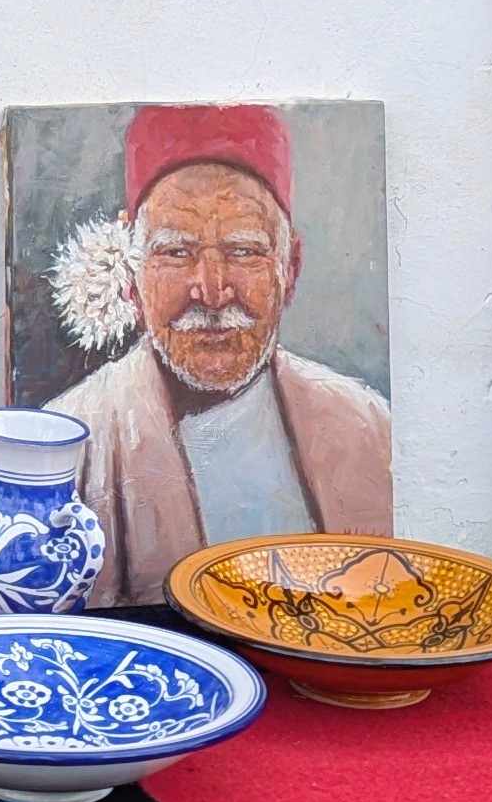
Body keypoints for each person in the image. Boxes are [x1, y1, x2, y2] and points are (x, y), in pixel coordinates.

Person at [53, 106, 392, 606]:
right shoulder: (70, 443)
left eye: (243, 252)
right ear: (131, 273)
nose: (212, 292)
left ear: (290, 268)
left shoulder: (366, 427)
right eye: (175, 252)